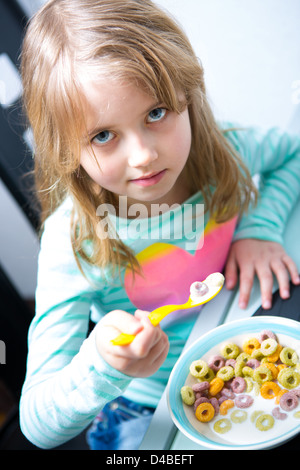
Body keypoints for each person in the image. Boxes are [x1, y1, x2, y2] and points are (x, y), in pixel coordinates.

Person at [19, 0, 300, 450]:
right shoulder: (72, 243)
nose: (144, 155)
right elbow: (36, 422)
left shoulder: (221, 156)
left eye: (156, 113)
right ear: (66, 148)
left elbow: (293, 152)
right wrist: (103, 364)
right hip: (145, 408)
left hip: (243, 338)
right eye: (103, 135)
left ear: (188, 93)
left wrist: (259, 229)